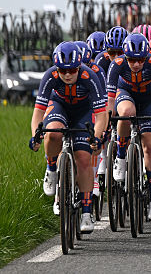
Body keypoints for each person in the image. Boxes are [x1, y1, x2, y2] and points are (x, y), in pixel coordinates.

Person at [29, 42, 108, 233]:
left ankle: (87, 213)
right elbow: (38, 113)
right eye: (63, 70)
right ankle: (51, 169)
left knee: (83, 158)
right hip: (59, 107)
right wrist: (35, 136)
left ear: (79, 66)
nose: (67, 75)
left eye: (72, 70)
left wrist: (96, 137)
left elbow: (101, 115)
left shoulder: (90, 76)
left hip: (83, 111)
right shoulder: (50, 76)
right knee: (53, 132)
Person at [105, 33, 151, 221]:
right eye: (131, 59)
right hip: (126, 94)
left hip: (148, 101)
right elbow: (110, 99)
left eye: (140, 60)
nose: (136, 64)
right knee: (126, 112)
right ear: (125, 56)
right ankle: (121, 157)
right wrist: (107, 121)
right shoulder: (118, 64)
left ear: (146, 57)